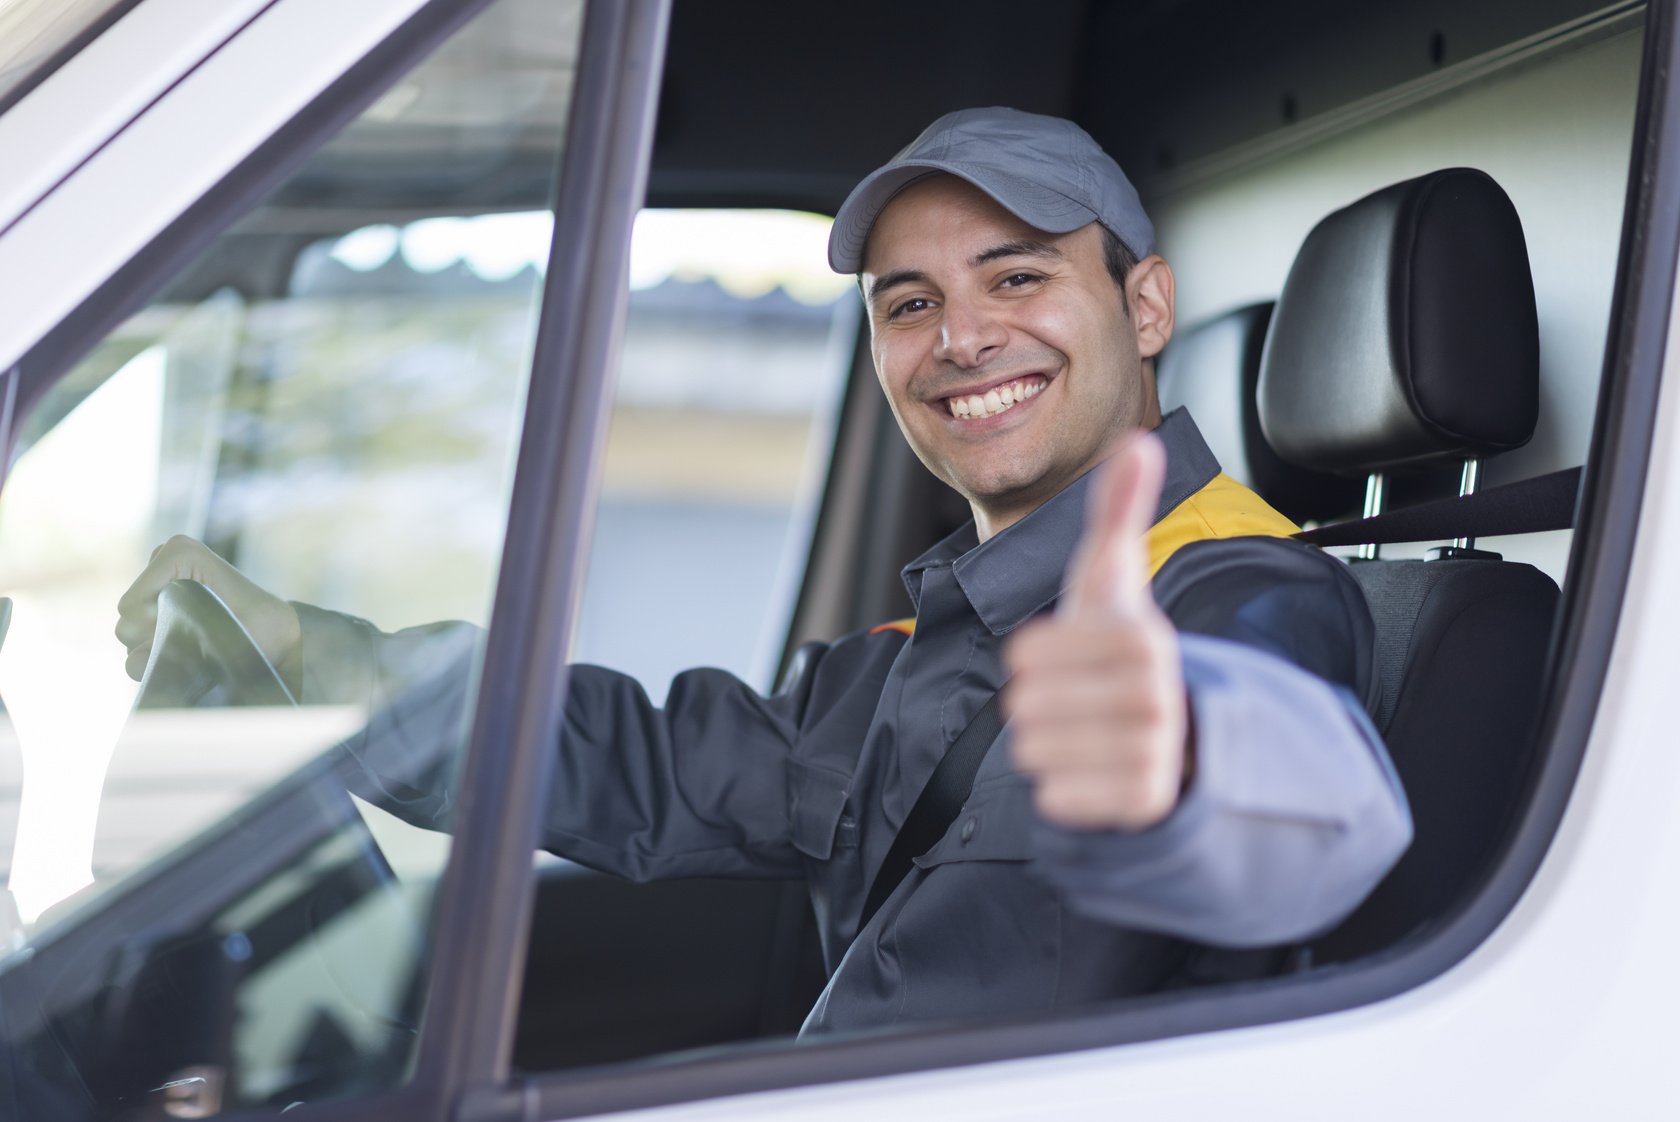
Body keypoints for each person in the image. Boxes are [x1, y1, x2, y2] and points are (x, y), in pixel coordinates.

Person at [117, 107, 1410, 1033]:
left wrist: (1185, 760)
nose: (961, 336)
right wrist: (322, 657)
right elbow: (649, 762)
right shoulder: (937, 640)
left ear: (1146, 308)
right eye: (908, 304)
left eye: (1016, 276)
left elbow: (1304, 796)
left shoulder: (1234, 591)